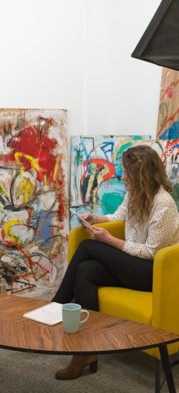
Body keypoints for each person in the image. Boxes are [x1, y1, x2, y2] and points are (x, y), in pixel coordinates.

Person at [52, 145, 179, 380]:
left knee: (89, 247)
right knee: (85, 270)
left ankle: (54, 307)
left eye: (126, 172)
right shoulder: (135, 194)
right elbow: (117, 216)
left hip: (155, 273)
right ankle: (85, 350)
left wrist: (110, 240)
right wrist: (95, 218)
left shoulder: (164, 203)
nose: (121, 176)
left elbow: (152, 252)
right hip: (134, 263)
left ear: (141, 175)